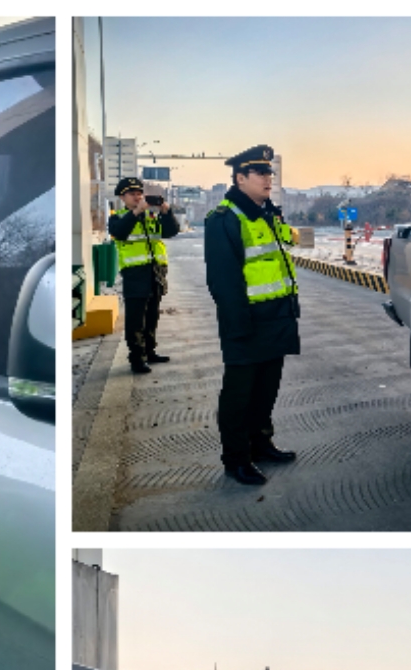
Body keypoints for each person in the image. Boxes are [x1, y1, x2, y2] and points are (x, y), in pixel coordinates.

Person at [203, 145, 301, 486]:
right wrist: (238, 325)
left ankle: (261, 444)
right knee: (238, 395)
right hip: (245, 322)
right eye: (260, 173)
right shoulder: (224, 220)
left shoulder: (268, 215)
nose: (268, 178)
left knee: (266, 389)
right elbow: (223, 281)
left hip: (276, 317)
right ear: (240, 178)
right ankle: (236, 459)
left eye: (270, 173)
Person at [107, 178, 179, 374]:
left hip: (155, 274)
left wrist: (166, 212)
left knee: (152, 317)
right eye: (132, 194)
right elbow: (120, 233)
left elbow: (171, 231)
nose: (138, 197)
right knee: (135, 321)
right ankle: (137, 359)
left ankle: (150, 351)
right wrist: (136, 212)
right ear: (123, 197)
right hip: (135, 275)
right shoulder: (117, 218)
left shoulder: (151, 217)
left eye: (140, 193)